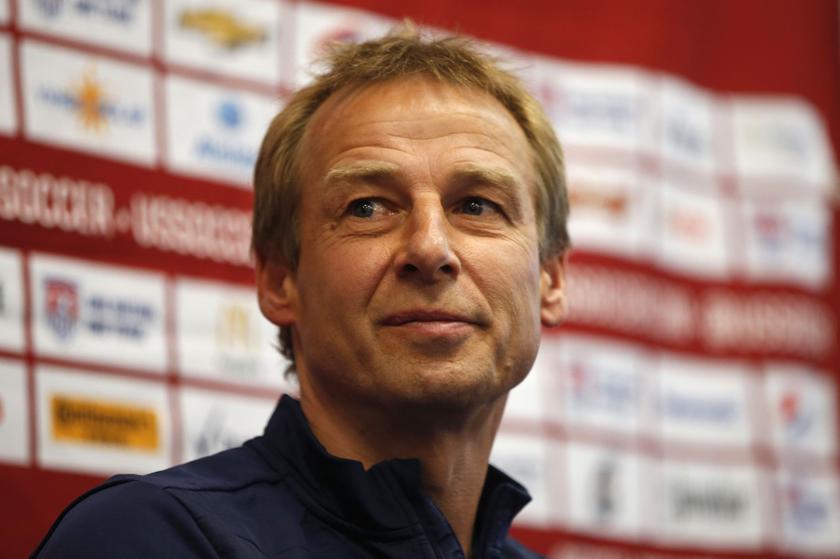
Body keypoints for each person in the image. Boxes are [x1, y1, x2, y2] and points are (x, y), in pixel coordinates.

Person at [34, 25, 569, 558]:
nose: (430, 249)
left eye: (476, 206)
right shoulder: (146, 537)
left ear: (551, 279)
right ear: (278, 280)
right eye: (368, 207)